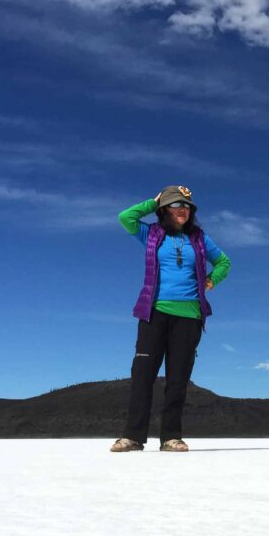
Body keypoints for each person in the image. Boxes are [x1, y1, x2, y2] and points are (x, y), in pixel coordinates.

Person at [110, 185, 231, 453]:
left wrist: (211, 280)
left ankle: (170, 437)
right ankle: (132, 436)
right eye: (176, 205)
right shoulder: (151, 234)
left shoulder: (199, 239)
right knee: (143, 375)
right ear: (164, 209)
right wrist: (153, 202)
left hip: (189, 316)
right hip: (154, 313)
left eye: (187, 206)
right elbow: (125, 218)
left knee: (177, 379)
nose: (183, 210)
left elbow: (224, 262)